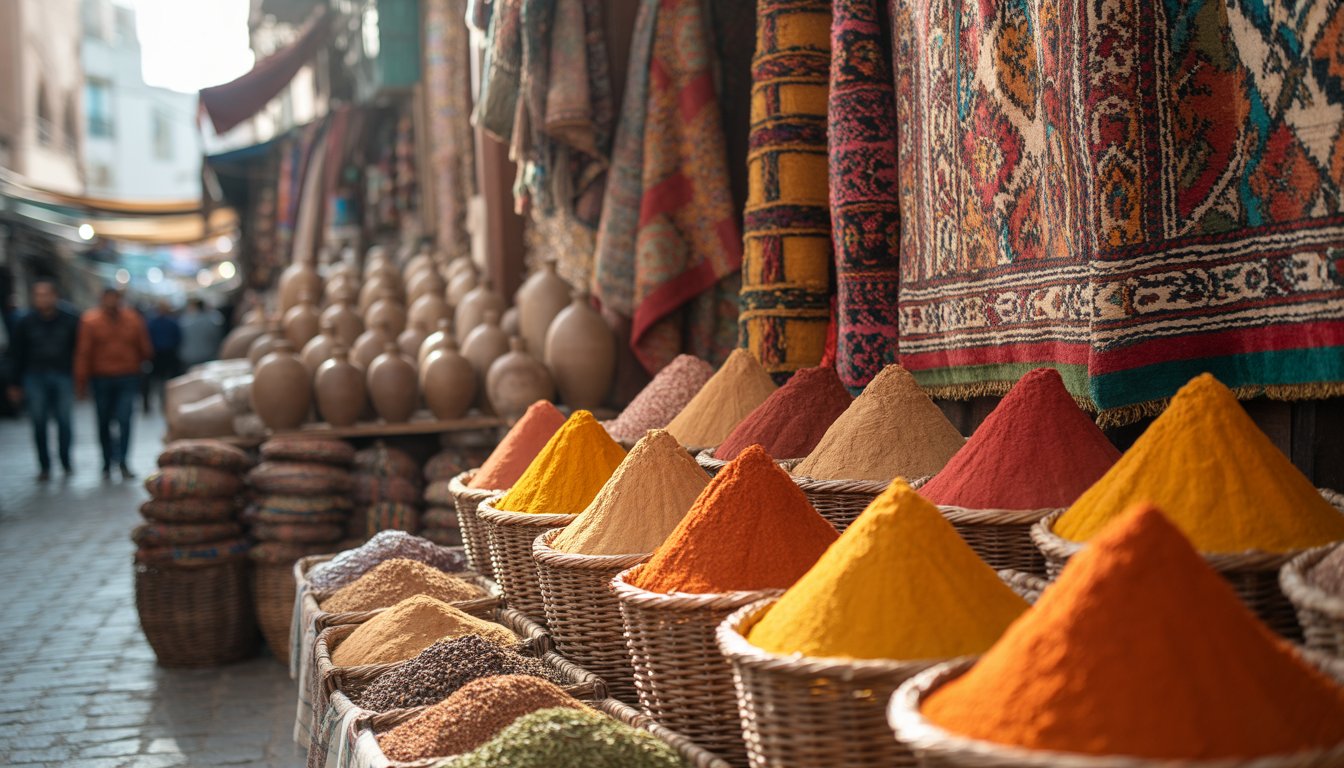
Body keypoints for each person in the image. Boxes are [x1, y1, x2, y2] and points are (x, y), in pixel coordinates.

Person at [75, 287, 151, 480]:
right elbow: (84, 352)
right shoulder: (90, 321)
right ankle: (107, 461)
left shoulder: (132, 319)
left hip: (127, 376)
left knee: (125, 419)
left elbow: (144, 347)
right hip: (101, 378)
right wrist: (81, 382)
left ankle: (123, 460)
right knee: (104, 421)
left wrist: (142, 363)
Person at [8, 281, 79, 480]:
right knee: (39, 421)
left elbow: (79, 350)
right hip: (35, 376)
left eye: (46, 294)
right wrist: (14, 383)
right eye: (38, 295)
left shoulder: (69, 320)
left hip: (63, 374)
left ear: (55, 296)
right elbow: (16, 353)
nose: (42, 299)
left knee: (64, 420)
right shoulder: (26, 322)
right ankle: (44, 465)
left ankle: (65, 460)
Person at [144, 300, 182, 413]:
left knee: (158, 380)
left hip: (159, 355)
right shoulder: (171, 322)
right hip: (164, 354)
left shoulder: (153, 322)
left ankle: (161, 400)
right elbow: (178, 338)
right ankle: (164, 400)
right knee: (164, 379)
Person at [178, 297, 224, 370]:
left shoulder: (184, 321)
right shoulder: (212, 320)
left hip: (190, 356)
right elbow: (217, 337)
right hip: (209, 354)